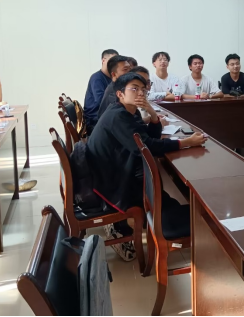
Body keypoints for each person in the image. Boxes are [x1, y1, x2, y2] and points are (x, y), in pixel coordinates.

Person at [87, 72, 207, 261]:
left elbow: (148, 137)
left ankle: (166, 218)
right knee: (160, 195)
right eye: (134, 89)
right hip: (112, 182)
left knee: (166, 199)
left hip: (116, 171)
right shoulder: (118, 116)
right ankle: (128, 226)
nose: (140, 93)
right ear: (120, 94)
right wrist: (186, 142)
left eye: (143, 89)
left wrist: (151, 112)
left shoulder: (126, 111)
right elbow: (148, 146)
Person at [84, 49, 119, 132]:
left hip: (104, 115)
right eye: (112, 60)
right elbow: (101, 102)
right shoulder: (97, 78)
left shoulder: (112, 78)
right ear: (103, 60)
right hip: (95, 120)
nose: (114, 64)